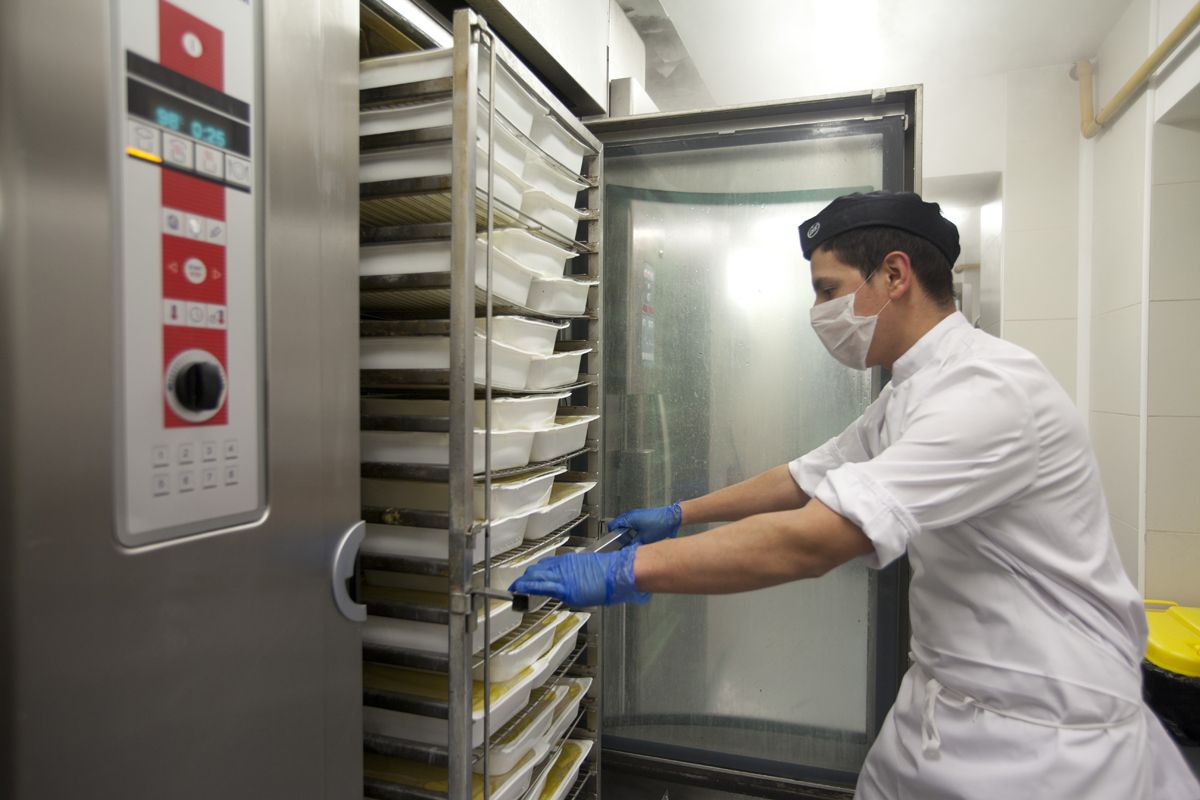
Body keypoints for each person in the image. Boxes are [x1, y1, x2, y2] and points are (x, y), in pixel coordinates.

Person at [511, 191, 1200, 799]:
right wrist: (677, 515)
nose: (819, 312)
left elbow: (815, 539)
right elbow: (806, 476)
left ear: (894, 275)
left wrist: (623, 572)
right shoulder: (914, 388)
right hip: (945, 705)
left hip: (1046, 740)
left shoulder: (990, 391)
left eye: (827, 289)